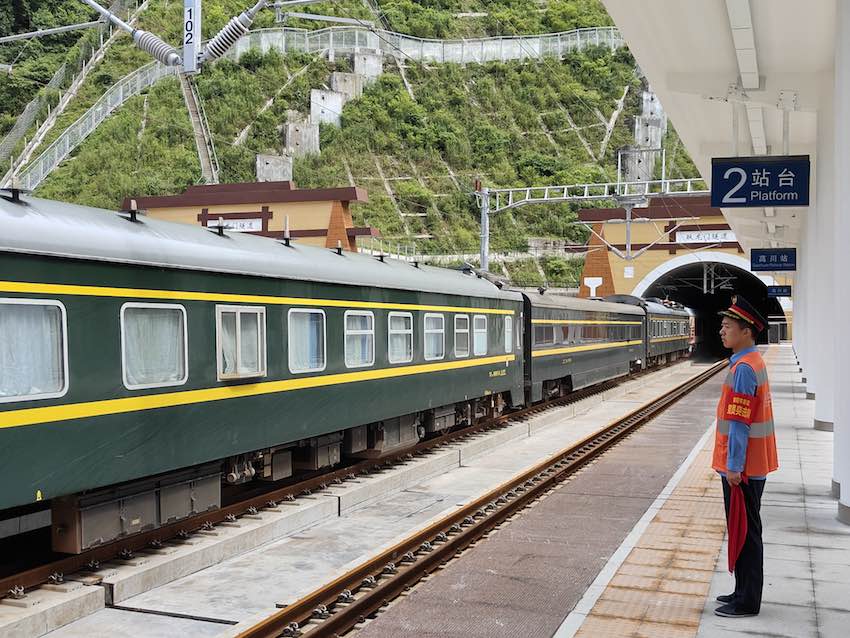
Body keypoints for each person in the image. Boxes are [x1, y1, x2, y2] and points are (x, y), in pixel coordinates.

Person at [712, 295, 779, 618]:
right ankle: (741, 591)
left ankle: (748, 601)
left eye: (727, 327)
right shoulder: (750, 362)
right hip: (750, 466)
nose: (721, 332)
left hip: (744, 469)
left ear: (747, 331)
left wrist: (734, 468)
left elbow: (739, 423)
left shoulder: (743, 369)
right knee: (742, 528)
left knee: (748, 534)